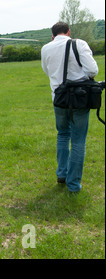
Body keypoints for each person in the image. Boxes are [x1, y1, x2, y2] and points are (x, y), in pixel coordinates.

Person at [41, 22, 99, 193]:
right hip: (79, 99)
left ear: (52, 36)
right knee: (79, 140)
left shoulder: (46, 48)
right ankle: (74, 185)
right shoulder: (79, 44)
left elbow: (47, 70)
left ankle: (62, 174)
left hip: (58, 99)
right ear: (69, 32)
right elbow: (92, 70)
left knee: (62, 135)